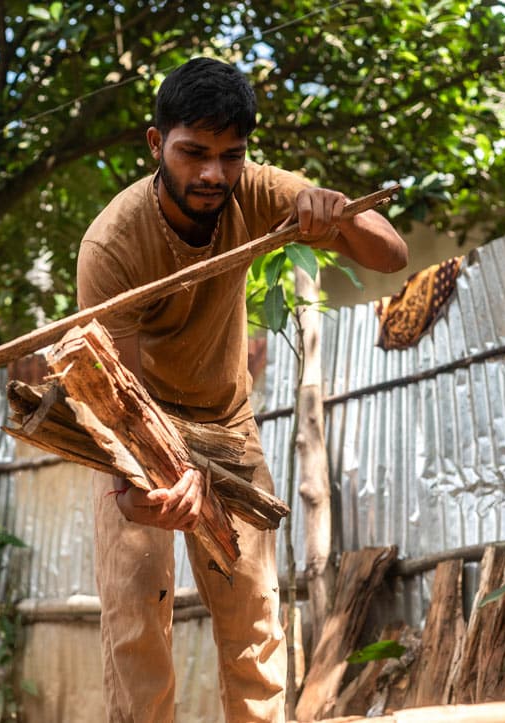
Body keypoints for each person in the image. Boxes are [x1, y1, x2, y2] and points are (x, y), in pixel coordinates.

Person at [75, 57, 408, 722]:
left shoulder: (255, 190)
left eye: (230, 155)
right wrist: (139, 492)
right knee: (136, 624)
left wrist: (334, 215)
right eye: (192, 152)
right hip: (138, 424)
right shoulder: (112, 243)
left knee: (254, 625)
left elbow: (390, 255)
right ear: (155, 144)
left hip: (227, 426)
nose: (212, 175)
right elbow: (115, 393)